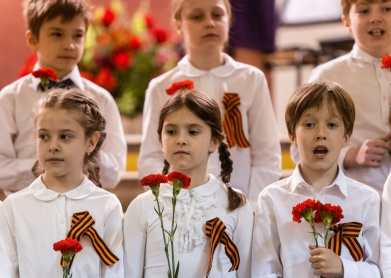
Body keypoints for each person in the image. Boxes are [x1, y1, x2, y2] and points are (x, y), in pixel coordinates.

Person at [138, 0, 281, 210]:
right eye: (197, 17)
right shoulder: (161, 86)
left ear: (229, 20)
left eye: (217, 15)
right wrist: (172, 202)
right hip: (180, 207)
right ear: (178, 25)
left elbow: (267, 154)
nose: (209, 23)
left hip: (238, 206)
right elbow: (151, 156)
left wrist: (250, 207)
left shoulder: (251, 79)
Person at [252, 80, 381, 277]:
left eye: (331, 125)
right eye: (309, 125)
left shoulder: (367, 200)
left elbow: (378, 270)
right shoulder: (272, 199)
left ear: (346, 136)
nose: (320, 134)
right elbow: (264, 270)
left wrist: (344, 268)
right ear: (292, 136)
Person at [0, 0, 126, 195]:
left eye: (78, 35)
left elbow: (115, 170)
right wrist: (45, 167)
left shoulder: (102, 100)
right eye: (57, 34)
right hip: (24, 215)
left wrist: (78, 163)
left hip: (85, 213)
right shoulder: (9, 99)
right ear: (33, 39)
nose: (69, 45)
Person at [124, 89, 253, 277]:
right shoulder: (142, 206)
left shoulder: (235, 204)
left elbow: (247, 272)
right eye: (171, 131)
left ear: (214, 142)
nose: (181, 140)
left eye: (193, 132)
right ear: (161, 140)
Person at [0, 88, 124, 277]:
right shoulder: (14, 207)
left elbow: (114, 271)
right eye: (44, 136)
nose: (53, 146)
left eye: (65, 136)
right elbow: (6, 271)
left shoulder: (107, 205)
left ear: (91, 142)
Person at [291, 0, 391, 195]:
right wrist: (349, 156)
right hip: (351, 199)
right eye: (364, 10)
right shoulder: (328, 76)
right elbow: (298, 149)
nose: (376, 18)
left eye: (387, 9)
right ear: (346, 22)